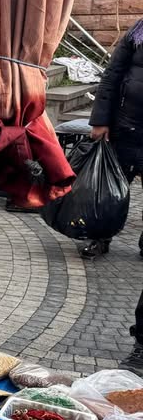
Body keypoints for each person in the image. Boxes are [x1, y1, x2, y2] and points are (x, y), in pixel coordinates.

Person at [84, 18, 143, 260]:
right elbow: (112, 74)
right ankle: (99, 237)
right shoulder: (138, 32)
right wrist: (100, 120)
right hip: (126, 125)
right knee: (110, 187)